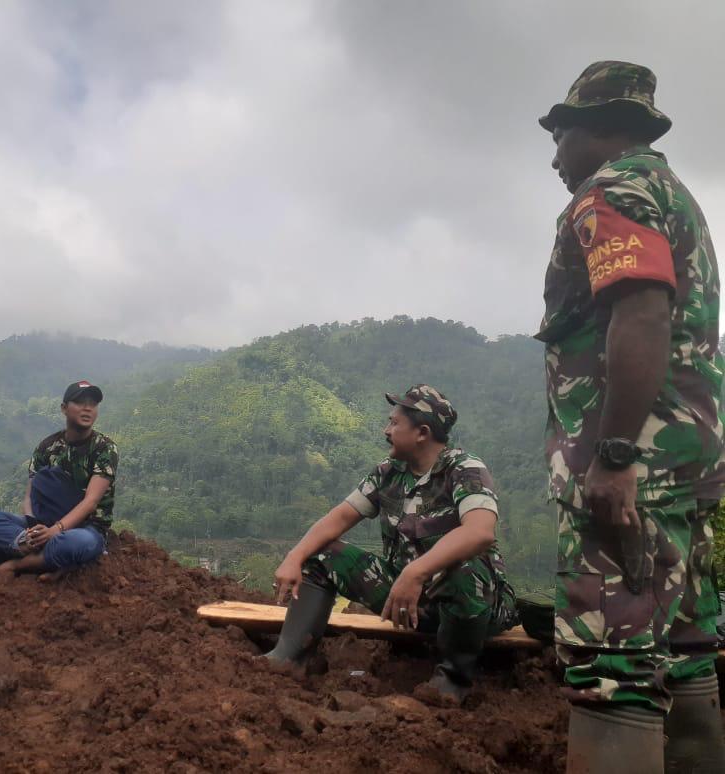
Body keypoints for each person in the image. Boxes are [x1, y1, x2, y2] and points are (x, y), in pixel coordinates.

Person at [536, 61, 725, 773]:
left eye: (559, 137)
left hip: (633, 471)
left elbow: (641, 313)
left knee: (612, 663)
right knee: (684, 649)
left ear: (596, 128)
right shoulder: (676, 196)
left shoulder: (611, 191)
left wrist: (613, 456)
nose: (555, 158)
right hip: (687, 464)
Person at [268, 384, 518, 704]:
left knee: (464, 568)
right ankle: (288, 658)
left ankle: (451, 683)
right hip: (406, 599)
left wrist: (416, 572)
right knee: (321, 554)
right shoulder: (388, 473)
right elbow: (339, 517)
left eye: (394, 423)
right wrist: (294, 556)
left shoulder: (464, 469)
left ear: (422, 433)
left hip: (475, 605)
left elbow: (480, 532)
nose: (386, 430)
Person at [0, 381, 117, 576]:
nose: (87, 408)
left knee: (80, 542)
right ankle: (33, 549)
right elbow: (29, 496)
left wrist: (55, 531)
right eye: (79, 402)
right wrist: (33, 531)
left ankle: (20, 564)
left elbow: (91, 502)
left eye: (92, 404)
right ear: (64, 408)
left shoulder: (105, 448)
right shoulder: (47, 447)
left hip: (86, 527)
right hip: (44, 522)